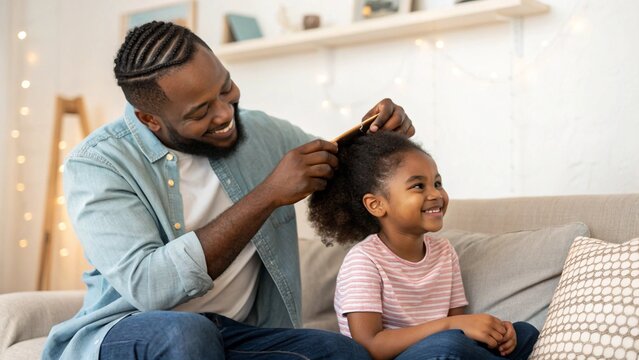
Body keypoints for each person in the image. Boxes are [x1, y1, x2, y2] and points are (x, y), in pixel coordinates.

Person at [42, 21, 415, 360]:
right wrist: (268, 194)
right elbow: (151, 286)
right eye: (200, 111)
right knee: (186, 334)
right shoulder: (98, 164)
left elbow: (341, 172)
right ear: (149, 119)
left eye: (226, 88)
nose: (224, 114)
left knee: (341, 353)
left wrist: (380, 141)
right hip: (133, 330)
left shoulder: (262, 132)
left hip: (236, 335)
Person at [307, 132, 539, 360]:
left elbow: (462, 330)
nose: (435, 193)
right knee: (447, 345)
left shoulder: (444, 252)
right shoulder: (364, 261)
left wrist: (495, 333)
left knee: (524, 333)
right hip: (408, 355)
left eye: (437, 183)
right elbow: (370, 346)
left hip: (445, 347)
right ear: (376, 204)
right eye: (419, 186)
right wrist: (451, 325)